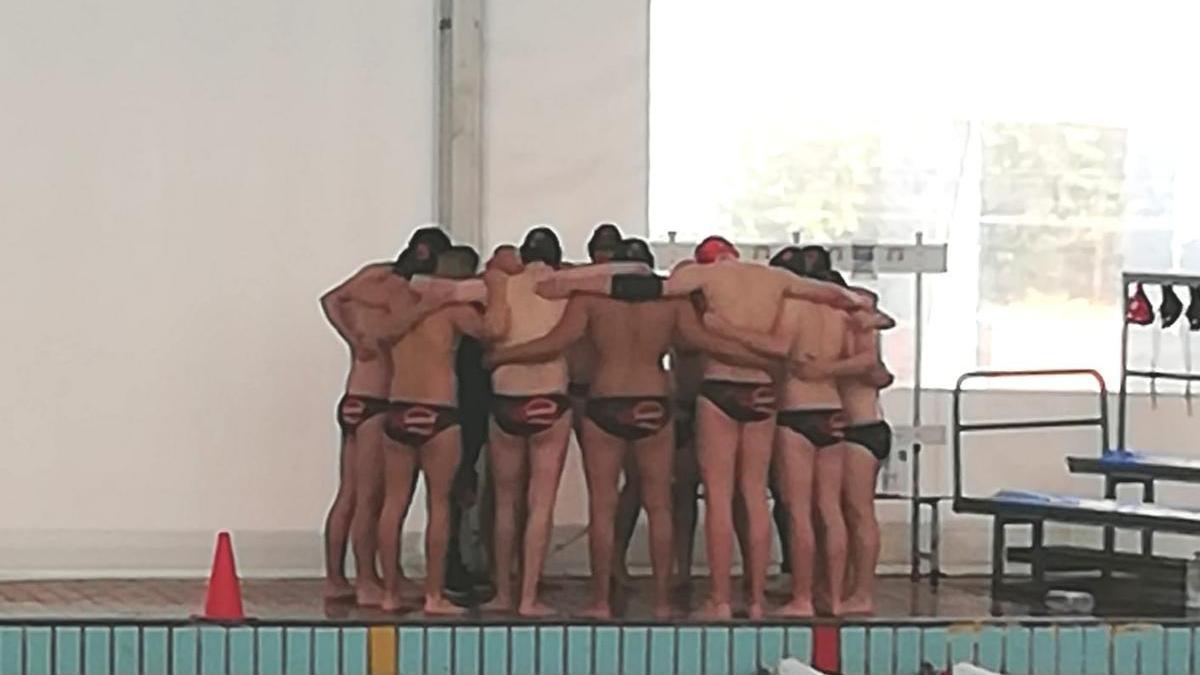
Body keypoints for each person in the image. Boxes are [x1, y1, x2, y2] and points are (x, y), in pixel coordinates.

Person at [537, 235, 877, 619]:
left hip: (713, 387)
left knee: (712, 497)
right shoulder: (774, 280)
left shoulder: (701, 278)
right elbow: (839, 297)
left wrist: (583, 280)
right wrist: (861, 307)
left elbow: (650, 288)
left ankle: (715, 600)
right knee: (753, 496)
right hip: (763, 388)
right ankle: (755, 600)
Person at [487, 238, 772, 619]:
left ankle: (601, 601)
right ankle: (661, 601)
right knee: (659, 506)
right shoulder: (672, 304)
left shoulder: (590, 301)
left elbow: (555, 342)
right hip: (653, 401)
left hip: (605, 401)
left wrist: (505, 354)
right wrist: (766, 358)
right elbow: (706, 342)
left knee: (603, 508)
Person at [479, 227, 653, 616]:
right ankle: (527, 598)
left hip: (506, 395)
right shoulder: (567, 286)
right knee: (540, 503)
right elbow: (636, 271)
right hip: (549, 395)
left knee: (506, 502)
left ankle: (502, 593)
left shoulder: (502, 283)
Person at [373, 245, 510, 614]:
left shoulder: (396, 307)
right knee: (439, 506)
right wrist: (496, 291)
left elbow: (376, 336)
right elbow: (493, 331)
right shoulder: (455, 310)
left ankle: (389, 592)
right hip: (439, 412)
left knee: (394, 504)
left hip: (399, 408)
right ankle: (434, 595)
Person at [318, 226, 450, 603]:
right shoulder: (402, 293)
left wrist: (350, 336)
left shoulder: (369, 281)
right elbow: (392, 330)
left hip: (353, 396)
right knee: (369, 497)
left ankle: (337, 577)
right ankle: (365, 580)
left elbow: (330, 299)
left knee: (348, 493)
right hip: (377, 401)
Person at [833, 288, 894, 615]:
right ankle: (847, 587)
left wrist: (820, 367)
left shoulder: (863, 338)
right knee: (845, 512)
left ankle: (862, 591)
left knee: (857, 512)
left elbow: (874, 372)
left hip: (862, 430)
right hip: (860, 429)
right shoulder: (856, 336)